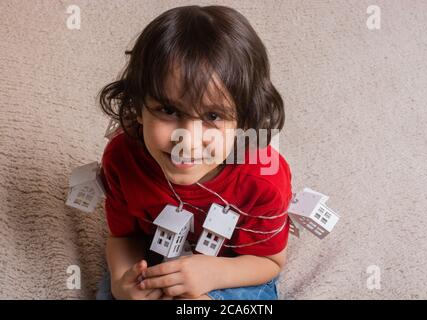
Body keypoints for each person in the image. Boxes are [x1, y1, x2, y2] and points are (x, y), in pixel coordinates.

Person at [96, 5, 292, 300]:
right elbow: (123, 236)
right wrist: (122, 284)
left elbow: (269, 262)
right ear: (137, 107)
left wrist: (211, 274)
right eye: (168, 110)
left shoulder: (263, 178)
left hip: (234, 268)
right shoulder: (123, 159)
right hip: (157, 256)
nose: (187, 140)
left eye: (213, 116)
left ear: (245, 119)